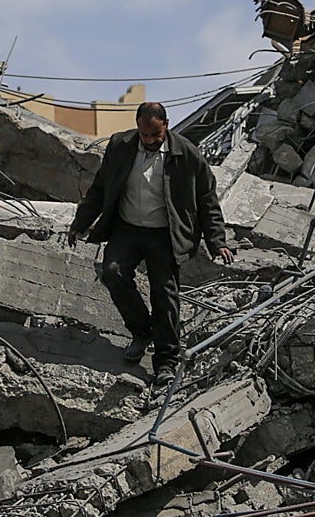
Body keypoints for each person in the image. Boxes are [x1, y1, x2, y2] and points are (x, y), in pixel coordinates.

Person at [68, 101, 234, 384]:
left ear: (166, 125)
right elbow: (100, 187)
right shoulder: (120, 146)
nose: (150, 141)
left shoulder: (187, 154)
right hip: (127, 228)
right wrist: (80, 224)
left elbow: (207, 200)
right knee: (113, 271)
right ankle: (142, 331)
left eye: (155, 136)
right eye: (144, 136)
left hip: (164, 234)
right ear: (137, 128)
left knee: (165, 296)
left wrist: (217, 241)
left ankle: (167, 361)